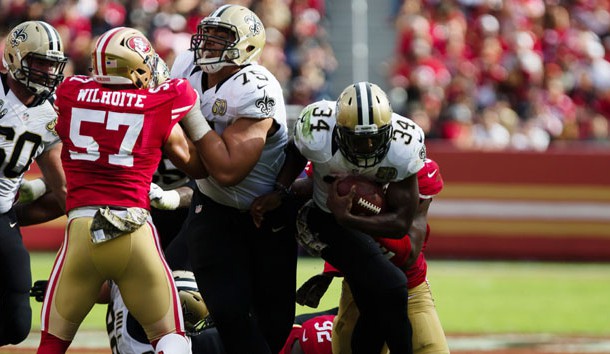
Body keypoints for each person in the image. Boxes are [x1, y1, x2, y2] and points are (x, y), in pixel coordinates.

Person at [36, 26, 212, 354]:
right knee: (171, 336)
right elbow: (198, 164)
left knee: (52, 342)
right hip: (134, 227)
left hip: (81, 230)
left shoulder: (70, 92)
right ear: (130, 66)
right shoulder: (164, 98)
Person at [252, 81, 427, 354]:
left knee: (371, 302)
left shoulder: (405, 145)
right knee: (393, 285)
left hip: (349, 219)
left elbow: (401, 224)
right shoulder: (318, 129)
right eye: (358, 139)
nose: (367, 146)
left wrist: (348, 217)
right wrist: (282, 191)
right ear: (339, 129)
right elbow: (296, 153)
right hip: (322, 219)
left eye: (374, 138)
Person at [170, 4, 298, 353]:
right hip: (213, 208)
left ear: (247, 47)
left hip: (265, 214)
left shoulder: (256, 86)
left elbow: (228, 171)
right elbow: (204, 169)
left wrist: (190, 113)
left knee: (274, 324)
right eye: (208, 33)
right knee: (229, 315)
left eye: (222, 36)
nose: (209, 42)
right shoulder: (185, 66)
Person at [297, 158, 450, 354]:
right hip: (358, 288)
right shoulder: (337, 159)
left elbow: (409, 253)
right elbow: (305, 191)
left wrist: (355, 220)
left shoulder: (413, 165)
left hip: (410, 288)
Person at [0, 20, 68, 346]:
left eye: (53, 64)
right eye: (39, 62)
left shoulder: (49, 113)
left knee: (16, 323)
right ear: (15, 58)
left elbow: (65, 188)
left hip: (2, 216)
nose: (47, 71)